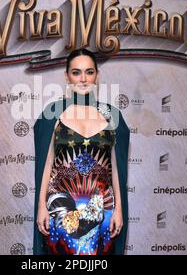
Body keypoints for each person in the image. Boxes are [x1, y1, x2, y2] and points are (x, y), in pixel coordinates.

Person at [33, 48, 130, 255]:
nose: (83, 79)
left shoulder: (111, 115)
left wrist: (119, 210)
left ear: (97, 75)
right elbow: (46, 164)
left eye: (89, 72)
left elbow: (117, 170)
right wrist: (41, 206)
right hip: (61, 215)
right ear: (67, 76)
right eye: (76, 72)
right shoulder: (54, 113)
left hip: (103, 212)